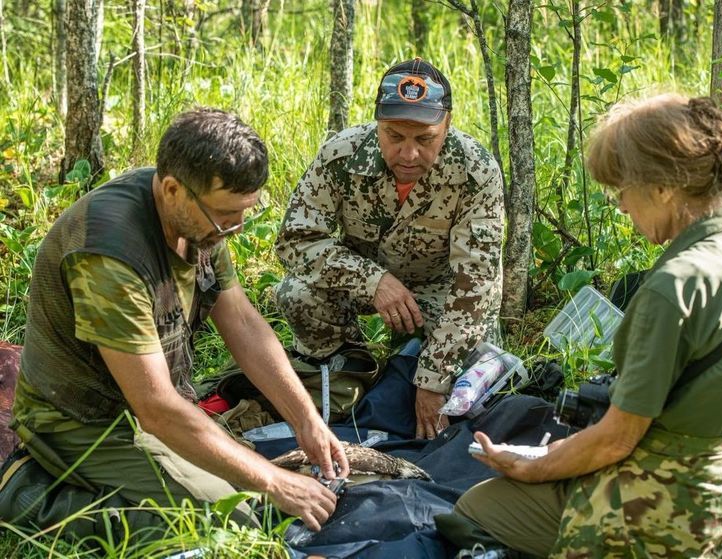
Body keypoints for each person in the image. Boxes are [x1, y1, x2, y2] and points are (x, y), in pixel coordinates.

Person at [7, 108, 349, 533]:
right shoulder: (109, 255)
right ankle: (23, 492)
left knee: (250, 493)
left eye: (244, 214)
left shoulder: (199, 219)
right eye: (226, 217)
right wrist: (273, 482)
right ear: (172, 189)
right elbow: (155, 408)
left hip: (154, 405)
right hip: (84, 421)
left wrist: (305, 419)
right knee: (226, 521)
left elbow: (241, 321)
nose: (236, 229)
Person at [437, 94, 722, 556]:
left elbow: (616, 440)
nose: (621, 207)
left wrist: (534, 466)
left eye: (622, 189)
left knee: (476, 510)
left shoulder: (673, 287)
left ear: (662, 187)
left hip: (675, 503)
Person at [274, 58, 504, 440]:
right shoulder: (342, 155)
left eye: (425, 139)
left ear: (447, 125)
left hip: (441, 291)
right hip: (362, 281)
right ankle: (352, 366)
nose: (408, 155)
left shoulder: (476, 172)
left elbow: (475, 285)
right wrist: (372, 281)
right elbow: (295, 240)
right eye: (394, 137)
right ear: (377, 125)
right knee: (296, 295)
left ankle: (416, 357)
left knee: (474, 367)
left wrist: (433, 380)